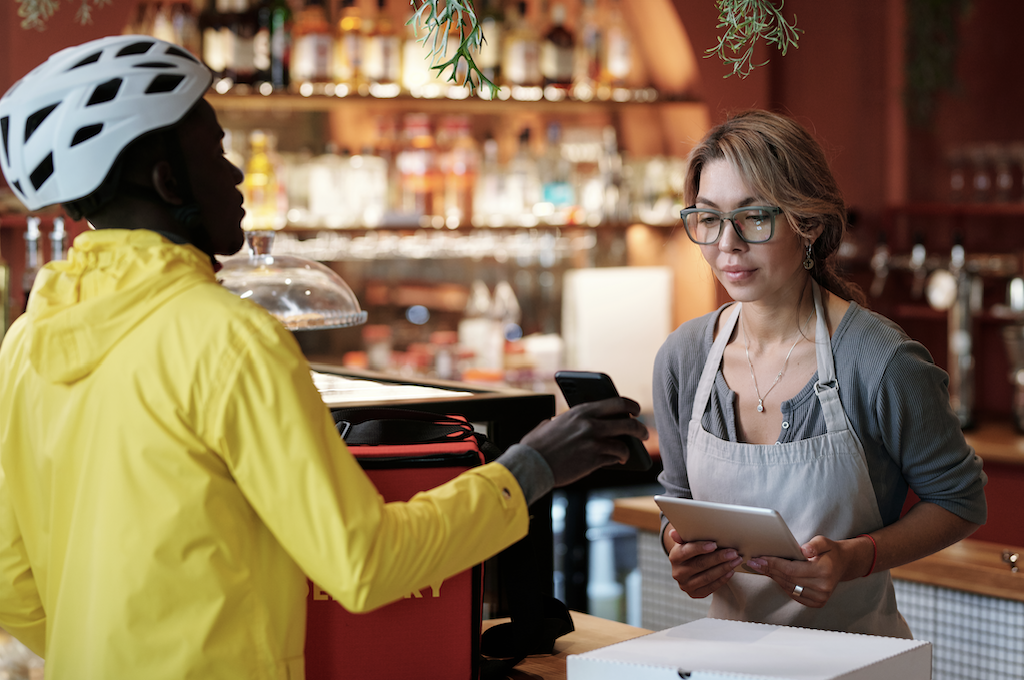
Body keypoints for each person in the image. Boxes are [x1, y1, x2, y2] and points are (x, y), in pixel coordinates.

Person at [0, 36, 649, 678]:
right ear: (170, 180)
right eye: (217, 150)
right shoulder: (227, 337)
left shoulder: (26, 341)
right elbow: (363, 563)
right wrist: (532, 468)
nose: (234, 173)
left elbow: (14, 584)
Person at [654, 110, 986, 638]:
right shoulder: (684, 358)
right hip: (731, 664)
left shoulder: (882, 361)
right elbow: (677, 502)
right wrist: (680, 548)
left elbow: (961, 501)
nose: (727, 244)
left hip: (859, 663)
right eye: (708, 218)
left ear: (806, 222)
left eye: (753, 217)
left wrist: (856, 558)